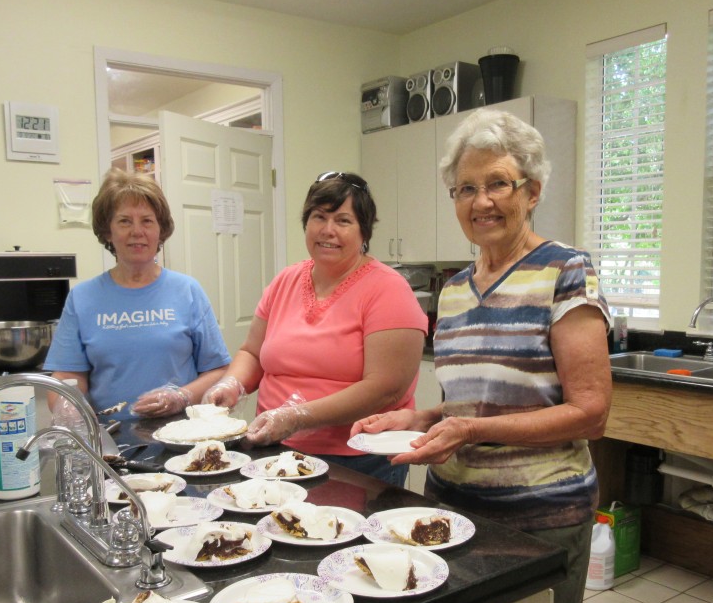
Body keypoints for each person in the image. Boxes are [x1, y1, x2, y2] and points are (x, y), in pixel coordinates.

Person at [350, 109, 612, 603]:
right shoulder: (456, 289)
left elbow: (591, 411)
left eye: (498, 183)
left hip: (539, 518)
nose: (482, 201)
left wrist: (470, 431)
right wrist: (414, 416)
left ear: (532, 190)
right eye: (466, 188)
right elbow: (477, 399)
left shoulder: (566, 271)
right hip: (455, 512)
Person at [203, 171, 428, 486]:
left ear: (365, 230)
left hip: (357, 461)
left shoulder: (388, 290)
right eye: (319, 217)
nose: (328, 230)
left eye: (343, 220)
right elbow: (251, 352)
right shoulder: (285, 280)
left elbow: (385, 388)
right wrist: (231, 384)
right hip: (275, 451)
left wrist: (297, 417)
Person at [43, 168, 230, 418]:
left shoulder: (187, 291)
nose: (137, 232)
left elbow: (218, 370)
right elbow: (67, 375)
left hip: (181, 438)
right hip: (111, 440)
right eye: (124, 221)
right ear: (108, 231)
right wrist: (69, 411)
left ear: (160, 230)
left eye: (147, 221)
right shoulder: (83, 298)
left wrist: (181, 397)